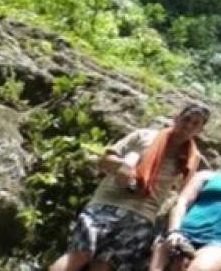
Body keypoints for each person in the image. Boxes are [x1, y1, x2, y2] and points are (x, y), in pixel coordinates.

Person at [49, 102, 211, 271]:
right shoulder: (143, 136)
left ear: (199, 131)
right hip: (108, 204)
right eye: (186, 119)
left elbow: (181, 194)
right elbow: (104, 161)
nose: (188, 126)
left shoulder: (192, 158)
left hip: (143, 216)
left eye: (195, 124)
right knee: (81, 253)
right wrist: (124, 169)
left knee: (105, 265)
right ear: (176, 118)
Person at [150, 136, 221, 271]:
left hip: (220, 243)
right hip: (184, 232)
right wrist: (174, 231)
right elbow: (182, 203)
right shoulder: (205, 176)